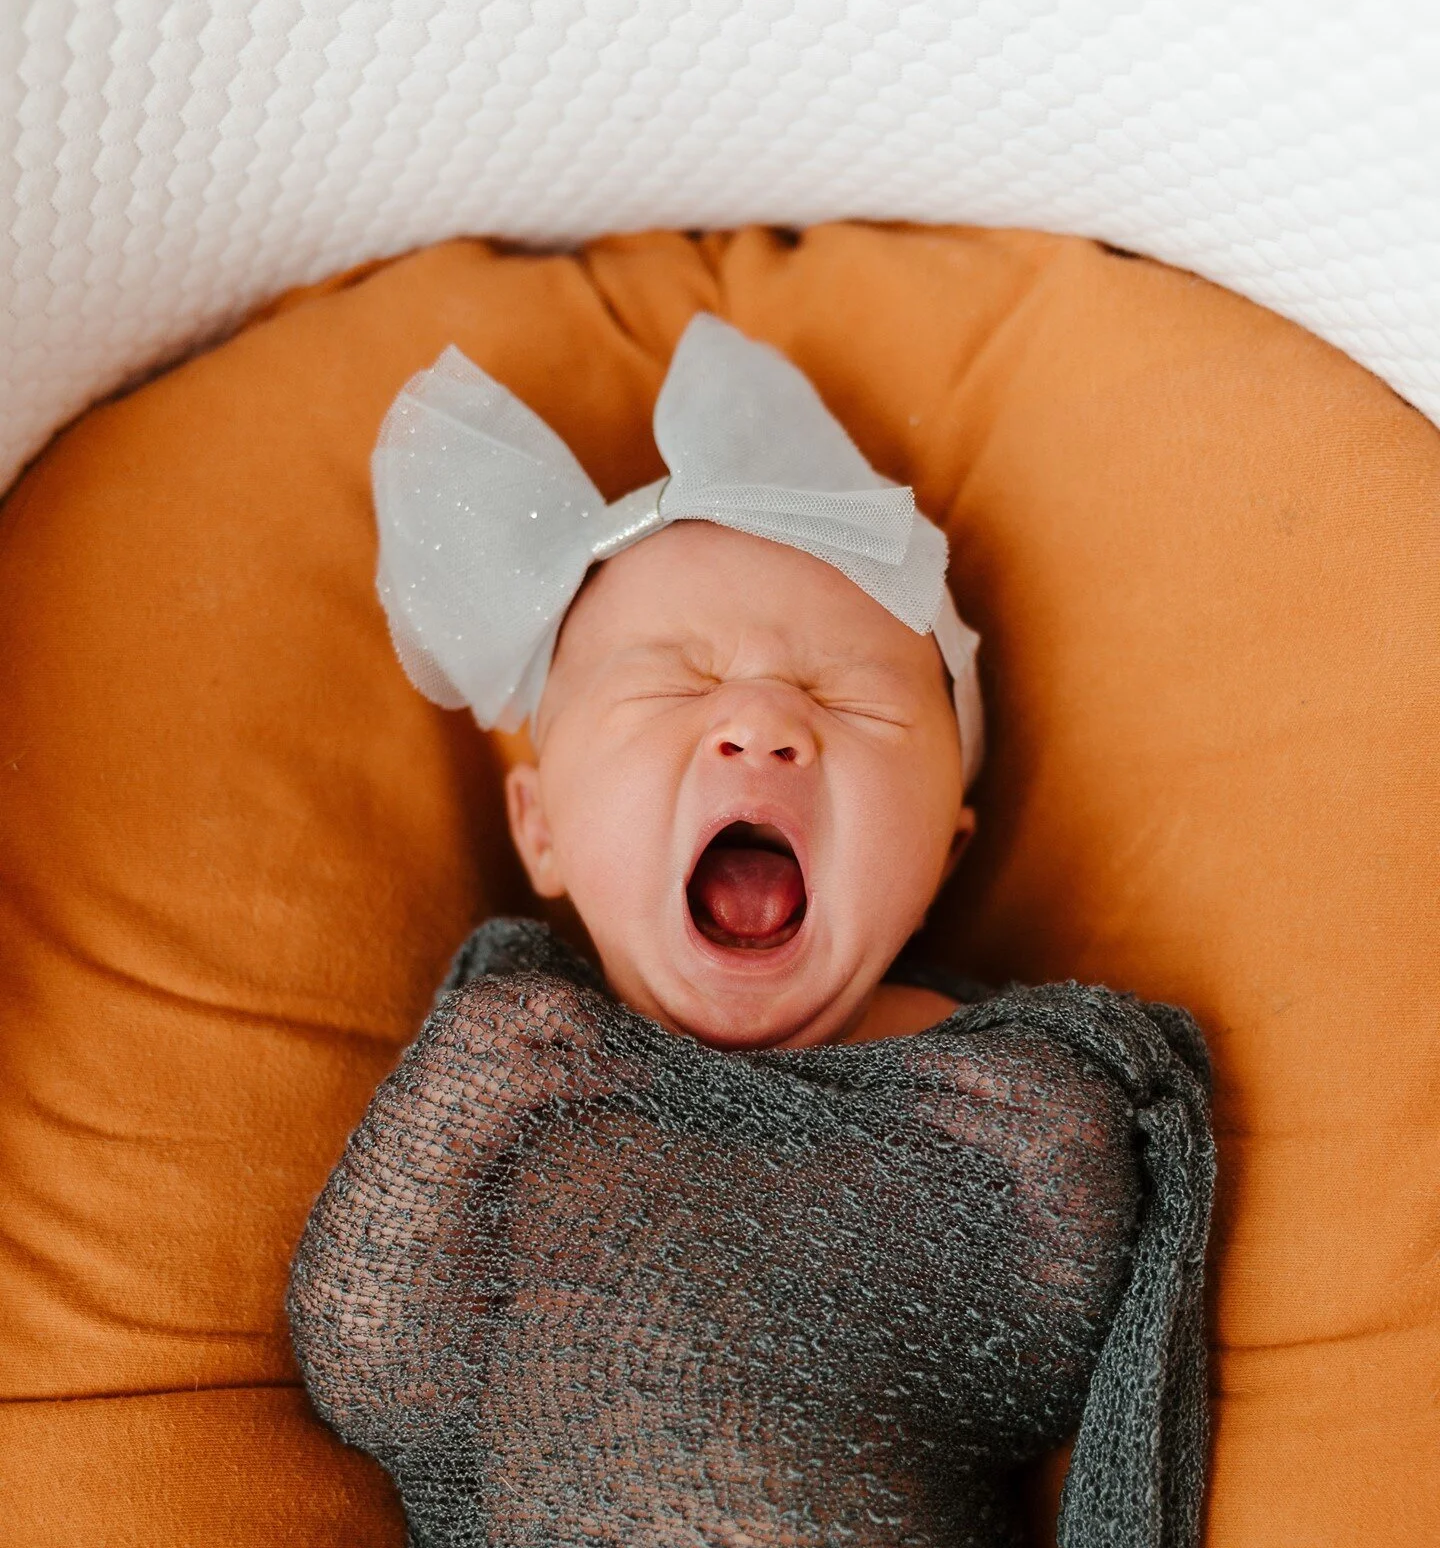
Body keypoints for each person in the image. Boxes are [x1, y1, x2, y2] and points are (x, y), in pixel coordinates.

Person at [287, 316, 1214, 1547]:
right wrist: (460, 1102)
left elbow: (1040, 1373)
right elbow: (374, 1376)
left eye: (849, 696)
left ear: (941, 859)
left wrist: (1054, 1146)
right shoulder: (515, 1054)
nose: (763, 722)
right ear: (540, 829)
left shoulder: (995, 1087)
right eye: (671, 682)